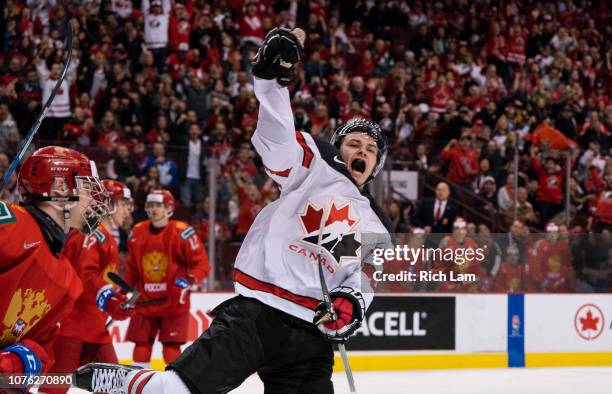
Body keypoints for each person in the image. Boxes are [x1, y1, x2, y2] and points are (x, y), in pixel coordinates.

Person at [75, 27, 390, 394]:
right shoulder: (313, 167)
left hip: (311, 336)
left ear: (376, 166)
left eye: (371, 149)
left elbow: (364, 279)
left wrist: (350, 305)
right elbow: (279, 142)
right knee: (174, 391)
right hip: (258, 312)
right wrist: (271, 83)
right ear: (338, 149)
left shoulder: (376, 225)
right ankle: (125, 380)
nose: (362, 151)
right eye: (354, 143)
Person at [0, 147, 109, 380]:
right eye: (87, 188)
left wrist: (24, 358)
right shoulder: (11, 222)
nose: (92, 199)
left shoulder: (69, 280)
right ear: (59, 187)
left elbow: (43, 347)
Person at [42, 180, 136, 394]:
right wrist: (108, 298)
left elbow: (101, 280)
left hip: (95, 327)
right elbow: (83, 275)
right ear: (108, 204)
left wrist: (117, 300)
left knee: (116, 386)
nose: (126, 210)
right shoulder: (93, 234)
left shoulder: (108, 238)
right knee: (54, 389)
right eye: (122, 203)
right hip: (70, 325)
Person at [124, 189, 210, 368]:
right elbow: (132, 268)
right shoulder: (137, 231)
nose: (153, 209)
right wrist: (124, 290)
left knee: (171, 347)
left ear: (169, 208)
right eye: (150, 205)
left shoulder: (182, 232)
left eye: (158, 205)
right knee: (141, 345)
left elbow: (201, 264)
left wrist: (188, 280)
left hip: (173, 302)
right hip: (144, 301)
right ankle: (138, 386)